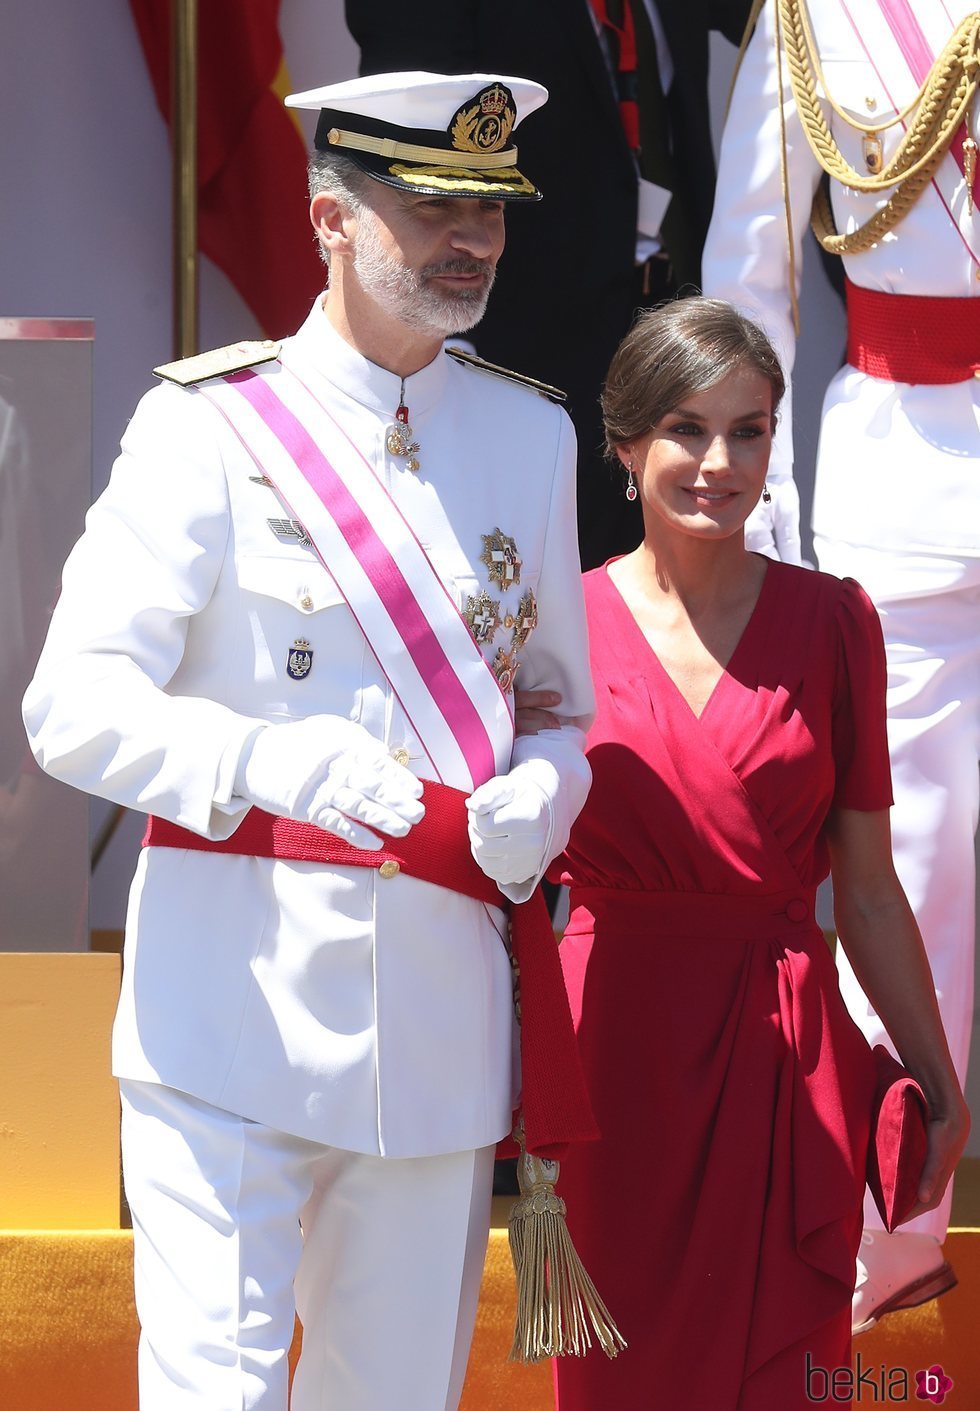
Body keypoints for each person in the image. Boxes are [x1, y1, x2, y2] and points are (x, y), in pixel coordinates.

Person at [22, 71, 596, 1411]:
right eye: (432, 207)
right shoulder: (207, 426)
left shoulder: (530, 432)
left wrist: (548, 787)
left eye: (491, 211)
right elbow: (71, 704)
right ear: (329, 217)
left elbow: (563, 701)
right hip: (229, 1015)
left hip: (439, 1040)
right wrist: (260, 759)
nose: (476, 242)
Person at [530, 298, 968, 1410]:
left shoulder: (834, 624)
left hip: (787, 1062)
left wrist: (933, 1067)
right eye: (684, 428)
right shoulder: (552, 626)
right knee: (617, 1375)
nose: (717, 462)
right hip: (611, 1059)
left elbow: (865, 893)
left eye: (749, 430)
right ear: (622, 446)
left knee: (790, 1369)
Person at [701, 0, 980, 1330]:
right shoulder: (819, 17)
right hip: (904, 489)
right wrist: (763, 508)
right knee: (909, 882)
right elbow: (749, 269)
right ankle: (884, 1260)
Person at [346, 0, 752, 568]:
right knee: (542, 597)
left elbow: (775, 21)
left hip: (673, 323)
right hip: (524, 345)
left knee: (661, 603)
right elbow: (417, 146)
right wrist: (447, 361)